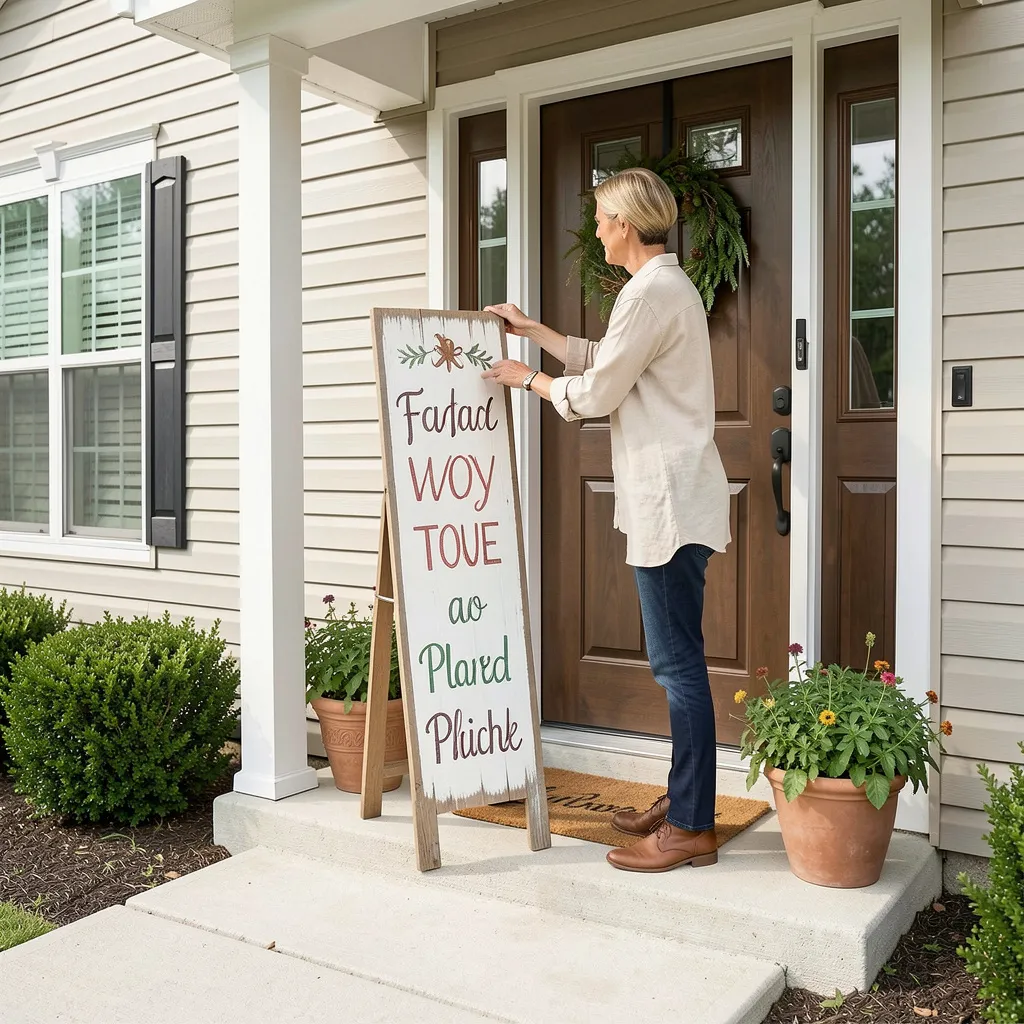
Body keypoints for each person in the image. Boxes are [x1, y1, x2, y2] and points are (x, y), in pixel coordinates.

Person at [482, 166, 731, 873]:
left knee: (677, 665)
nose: (595, 230)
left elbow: (596, 392)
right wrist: (536, 333)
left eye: (600, 219)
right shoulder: (655, 292)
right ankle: (686, 800)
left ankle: (690, 826)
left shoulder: (651, 295)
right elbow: (608, 361)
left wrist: (527, 379)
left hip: (670, 500)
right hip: (677, 496)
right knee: (675, 659)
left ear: (625, 223)